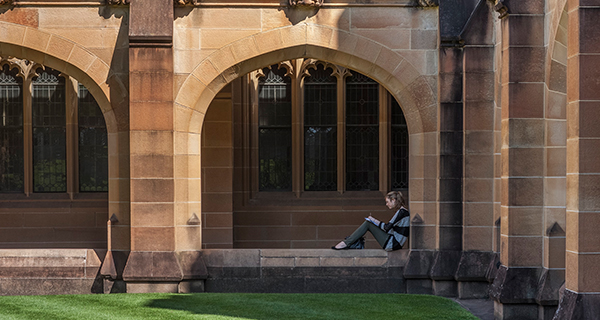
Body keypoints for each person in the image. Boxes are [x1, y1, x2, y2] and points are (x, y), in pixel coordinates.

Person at [332, 191, 409, 251]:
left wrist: (373, 220)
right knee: (369, 223)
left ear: (393, 200)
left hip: (393, 244)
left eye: (387, 202)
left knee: (368, 223)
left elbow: (386, 227)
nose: (386, 204)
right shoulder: (402, 212)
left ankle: (346, 243)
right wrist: (374, 221)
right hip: (395, 242)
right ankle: (353, 243)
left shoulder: (402, 212)